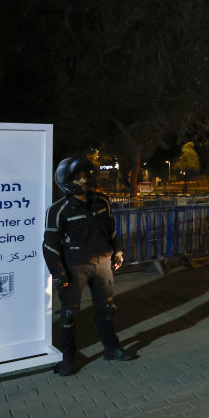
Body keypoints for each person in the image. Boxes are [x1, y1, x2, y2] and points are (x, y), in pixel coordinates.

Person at [43, 156, 134, 376]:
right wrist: (59, 273)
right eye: (78, 177)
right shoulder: (58, 210)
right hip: (74, 267)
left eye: (85, 175)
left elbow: (111, 230)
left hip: (102, 264)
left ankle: (111, 349)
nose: (84, 180)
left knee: (107, 309)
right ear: (67, 180)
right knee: (69, 314)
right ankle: (67, 360)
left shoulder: (102, 202)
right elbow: (50, 245)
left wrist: (117, 252)